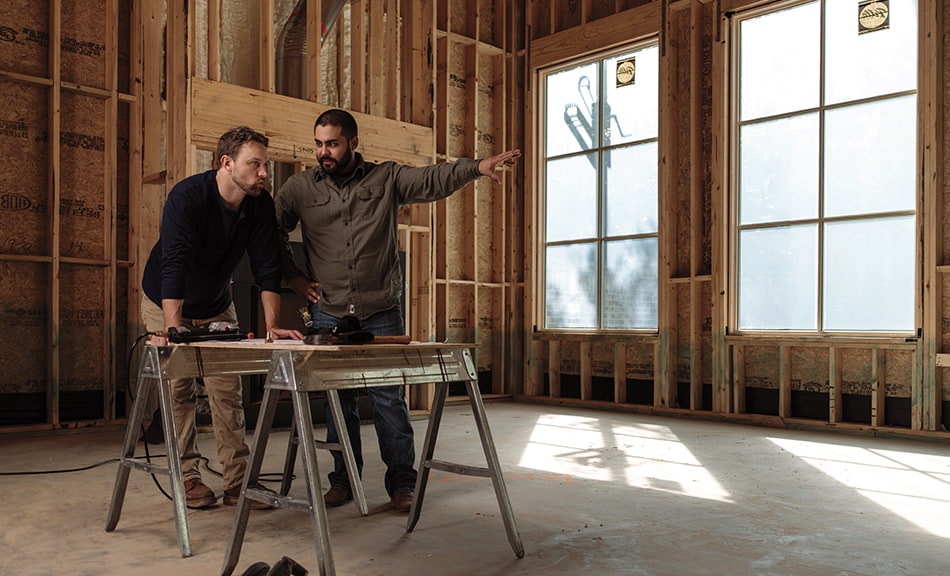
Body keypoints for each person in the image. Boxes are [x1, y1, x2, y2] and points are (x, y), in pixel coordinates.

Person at [275, 108, 520, 512]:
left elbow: (431, 180)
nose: (324, 152)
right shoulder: (299, 189)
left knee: (389, 400)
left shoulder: (385, 177)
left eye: (332, 143)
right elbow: (271, 231)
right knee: (339, 403)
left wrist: (476, 167)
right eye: (318, 144)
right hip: (329, 311)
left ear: (353, 143)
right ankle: (343, 480)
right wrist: (294, 278)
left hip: (381, 309)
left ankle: (402, 485)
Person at [141, 126, 304, 509]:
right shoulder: (188, 196)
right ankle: (188, 477)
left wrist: (272, 327)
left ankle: (238, 483)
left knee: (226, 391)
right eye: (256, 164)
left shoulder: (259, 204)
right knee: (180, 392)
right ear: (227, 163)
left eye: (266, 165)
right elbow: (174, 264)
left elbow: (267, 266)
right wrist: (173, 329)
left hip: (216, 303)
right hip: (166, 299)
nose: (264, 173)